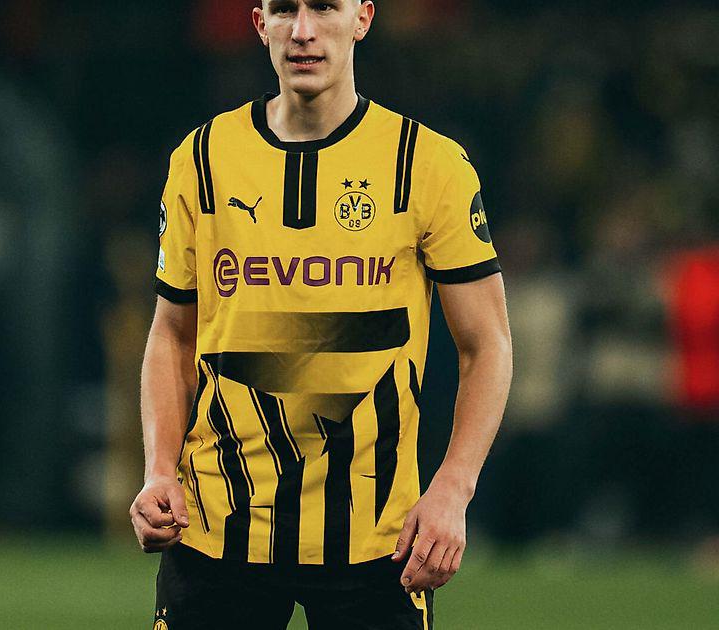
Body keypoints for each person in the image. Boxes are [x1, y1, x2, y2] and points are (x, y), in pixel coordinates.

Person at [130, 1, 513, 628]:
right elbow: (172, 335)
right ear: (260, 24)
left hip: (378, 539)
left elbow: (488, 344)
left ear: (362, 18)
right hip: (218, 528)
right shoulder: (201, 159)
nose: (303, 31)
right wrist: (157, 470)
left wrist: (453, 488)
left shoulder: (427, 164)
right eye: (285, 10)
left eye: (324, 8)